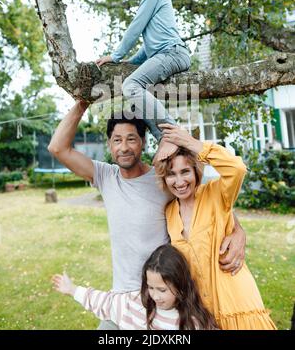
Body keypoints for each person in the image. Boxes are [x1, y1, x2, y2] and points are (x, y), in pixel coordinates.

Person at [48, 101, 247, 330]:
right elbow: (57, 148)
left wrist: (237, 230)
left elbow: (206, 201)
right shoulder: (104, 175)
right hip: (123, 298)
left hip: (163, 296)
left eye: (131, 139)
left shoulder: (163, 180)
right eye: (117, 140)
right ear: (109, 144)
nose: (124, 147)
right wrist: (82, 103)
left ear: (143, 142)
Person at [154, 123, 277, 330]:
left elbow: (236, 169)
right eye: (171, 174)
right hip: (203, 315)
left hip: (238, 307)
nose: (179, 181)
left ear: (196, 172)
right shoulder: (169, 213)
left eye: (185, 172)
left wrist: (191, 143)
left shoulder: (216, 194)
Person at [95, 0, 191, 162]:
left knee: (130, 86)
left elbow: (135, 27)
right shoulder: (151, 0)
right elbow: (148, 49)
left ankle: (172, 134)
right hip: (164, 54)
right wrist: (125, 63)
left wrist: (116, 55)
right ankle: (164, 138)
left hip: (173, 53)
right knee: (137, 96)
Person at [52, 244, 218, 330]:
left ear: (180, 286)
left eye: (162, 290)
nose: (155, 296)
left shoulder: (193, 322)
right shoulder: (136, 303)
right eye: (151, 287)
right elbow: (104, 302)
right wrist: (72, 289)